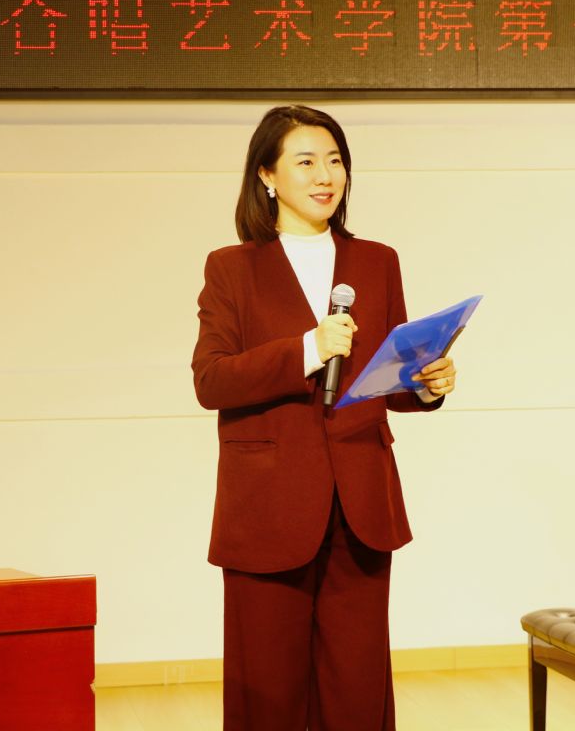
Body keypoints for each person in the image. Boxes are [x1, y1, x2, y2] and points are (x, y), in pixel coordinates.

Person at [191, 105, 456, 731]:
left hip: (361, 500)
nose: (325, 176)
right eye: (306, 161)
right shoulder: (232, 267)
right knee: (269, 692)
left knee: (357, 688)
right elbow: (211, 380)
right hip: (268, 506)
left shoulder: (377, 260)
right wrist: (308, 349)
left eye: (335, 161)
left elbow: (385, 380)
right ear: (266, 176)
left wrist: (426, 385)